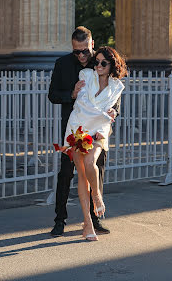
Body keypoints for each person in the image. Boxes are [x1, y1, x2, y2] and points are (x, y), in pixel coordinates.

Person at [48, 27, 120, 237]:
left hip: (98, 128)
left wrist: (114, 112)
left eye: (85, 51)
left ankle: (94, 220)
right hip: (74, 126)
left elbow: (115, 97)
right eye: (76, 51)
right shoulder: (63, 64)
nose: (81, 55)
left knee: (97, 168)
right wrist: (71, 93)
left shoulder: (100, 61)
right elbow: (52, 95)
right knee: (67, 173)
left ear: (92, 44)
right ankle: (60, 220)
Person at [63, 46, 127, 240]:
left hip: (99, 131)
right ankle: (88, 223)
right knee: (82, 174)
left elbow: (112, 109)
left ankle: (97, 195)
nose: (98, 65)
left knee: (91, 163)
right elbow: (81, 103)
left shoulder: (117, 86)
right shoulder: (85, 74)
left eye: (103, 63)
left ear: (112, 66)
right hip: (78, 128)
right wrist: (105, 114)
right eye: (97, 61)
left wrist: (110, 114)